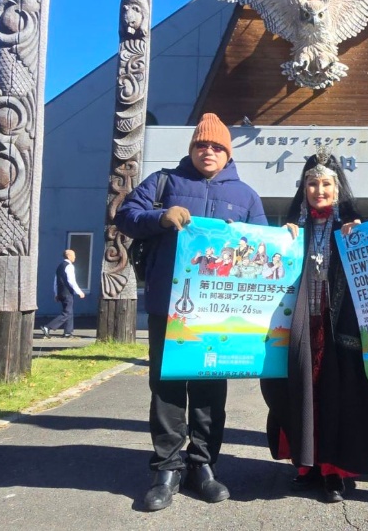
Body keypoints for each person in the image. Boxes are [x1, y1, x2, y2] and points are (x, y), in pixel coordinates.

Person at [114, 113, 267, 512]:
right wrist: (159, 218)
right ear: (192, 149)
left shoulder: (247, 195)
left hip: (218, 315)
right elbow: (125, 216)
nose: (209, 151)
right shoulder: (164, 182)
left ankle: (204, 466)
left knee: (210, 392)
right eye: (202, 145)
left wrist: (281, 239)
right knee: (166, 389)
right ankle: (165, 469)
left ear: (228, 152)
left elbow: (263, 250)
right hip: (170, 306)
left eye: (217, 146)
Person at [260, 151, 368, 504]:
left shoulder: (353, 229)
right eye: (312, 183)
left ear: (337, 190)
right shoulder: (292, 232)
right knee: (303, 394)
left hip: (340, 329)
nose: (319, 190)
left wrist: (365, 232)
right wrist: (284, 237)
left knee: (340, 397)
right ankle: (306, 466)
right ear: (303, 188)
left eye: (326, 184)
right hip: (301, 326)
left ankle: (335, 471)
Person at [42, 249, 85, 339]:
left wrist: (56, 293)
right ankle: (48, 327)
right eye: (74, 255)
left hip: (61, 292)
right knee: (67, 313)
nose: (75, 257)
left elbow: (55, 281)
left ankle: (68, 332)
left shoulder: (60, 266)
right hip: (67, 292)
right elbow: (71, 280)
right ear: (69, 256)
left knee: (69, 311)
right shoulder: (69, 266)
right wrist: (79, 291)